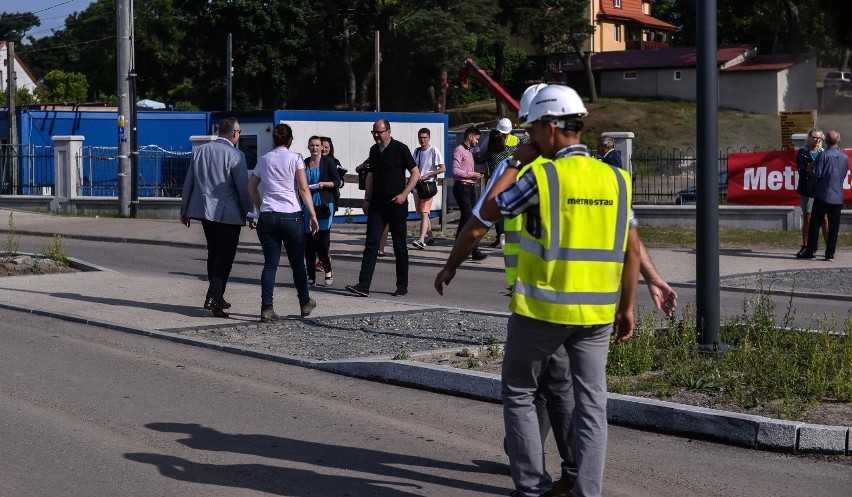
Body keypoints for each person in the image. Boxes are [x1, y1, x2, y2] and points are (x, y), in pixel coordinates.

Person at [471, 84, 678, 496]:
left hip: (545, 299)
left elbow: (624, 236)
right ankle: (560, 471)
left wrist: (650, 278)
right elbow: (628, 237)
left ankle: (555, 472)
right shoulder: (525, 168)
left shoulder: (545, 170)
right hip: (551, 296)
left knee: (546, 386)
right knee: (555, 387)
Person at [180, 117, 254, 318]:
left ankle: (217, 297)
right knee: (225, 257)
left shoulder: (200, 151)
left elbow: (189, 183)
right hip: (227, 214)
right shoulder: (236, 155)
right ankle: (213, 296)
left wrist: (184, 210)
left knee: (213, 253)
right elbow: (242, 189)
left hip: (204, 212)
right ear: (235, 133)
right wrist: (251, 213)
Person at [247, 123, 318, 321]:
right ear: (290, 140)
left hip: (268, 215)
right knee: (297, 263)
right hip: (291, 215)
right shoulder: (295, 158)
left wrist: (261, 207)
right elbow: (304, 188)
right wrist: (312, 214)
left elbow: (251, 187)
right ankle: (304, 302)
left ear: (274, 140)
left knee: (270, 264)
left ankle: (267, 307)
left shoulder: (264, 159)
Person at [345, 119, 420, 297]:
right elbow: (370, 175)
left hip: (397, 204)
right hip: (377, 204)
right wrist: (367, 199)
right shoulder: (373, 150)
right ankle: (363, 285)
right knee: (371, 243)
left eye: (379, 132)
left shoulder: (400, 148)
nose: (376, 136)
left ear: (388, 131)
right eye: (374, 133)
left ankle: (402, 285)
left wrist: (404, 194)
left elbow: (415, 173)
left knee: (399, 245)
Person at [798, 130, 849, 262]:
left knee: (815, 223)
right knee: (834, 225)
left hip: (823, 194)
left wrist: (814, 188)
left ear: (825, 141)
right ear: (838, 141)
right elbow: (843, 175)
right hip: (837, 196)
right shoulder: (844, 157)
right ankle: (830, 253)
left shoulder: (823, 156)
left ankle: (811, 250)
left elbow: (816, 174)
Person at [304, 136, 342, 286]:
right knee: (309, 243)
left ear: (321, 147)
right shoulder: (305, 163)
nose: (315, 148)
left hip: (325, 204)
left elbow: (337, 182)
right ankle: (311, 275)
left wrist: (324, 184)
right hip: (308, 205)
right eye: (312, 145)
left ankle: (328, 270)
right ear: (308, 147)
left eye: (317, 145)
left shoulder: (328, 162)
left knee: (322, 241)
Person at [452, 126, 488, 261]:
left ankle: (458, 250)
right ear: (470, 136)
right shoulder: (459, 151)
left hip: (470, 187)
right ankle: (474, 251)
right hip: (462, 187)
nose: (478, 142)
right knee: (469, 220)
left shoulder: (470, 151)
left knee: (465, 220)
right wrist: (470, 174)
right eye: (477, 139)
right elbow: (455, 171)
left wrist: (475, 175)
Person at [795, 129, 828, 257]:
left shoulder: (823, 153)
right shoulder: (803, 153)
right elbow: (802, 171)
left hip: (821, 190)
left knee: (824, 219)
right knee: (807, 218)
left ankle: (828, 247)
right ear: (809, 138)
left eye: (819, 138)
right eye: (814, 137)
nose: (817, 140)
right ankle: (806, 245)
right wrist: (814, 164)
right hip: (807, 189)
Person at [411, 127, 445, 250]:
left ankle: (421, 240)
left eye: (425, 138)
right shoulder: (417, 151)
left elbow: (442, 168)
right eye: (420, 138)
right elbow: (413, 168)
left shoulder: (434, 151)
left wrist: (429, 174)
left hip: (428, 186)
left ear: (429, 138)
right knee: (422, 214)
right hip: (417, 186)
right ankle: (430, 236)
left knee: (425, 213)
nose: (422, 140)